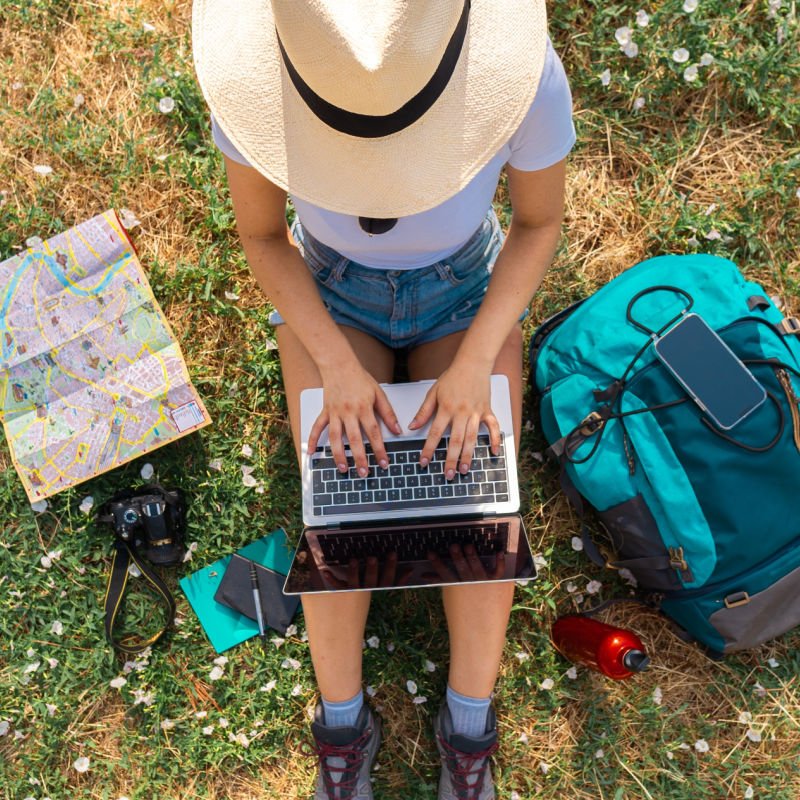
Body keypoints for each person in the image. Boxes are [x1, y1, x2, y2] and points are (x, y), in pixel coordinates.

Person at [192, 1, 575, 798]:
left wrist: (474, 363)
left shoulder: (524, 76)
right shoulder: (268, 76)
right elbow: (263, 236)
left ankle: (468, 727)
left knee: (480, 507)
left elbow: (539, 223)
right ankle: (342, 726)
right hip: (330, 297)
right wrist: (334, 362)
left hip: (464, 292)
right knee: (342, 501)